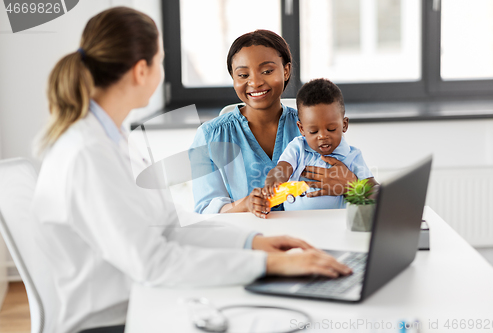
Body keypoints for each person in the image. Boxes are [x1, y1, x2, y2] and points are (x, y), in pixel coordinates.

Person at [31, 8, 351, 333]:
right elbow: (155, 263)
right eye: (160, 60)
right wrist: (272, 264)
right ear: (142, 71)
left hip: (145, 298)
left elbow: (170, 225)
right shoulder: (89, 154)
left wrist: (254, 243)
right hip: (115, 320)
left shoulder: (112, 139)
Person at [190, 30, 357, 218]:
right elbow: (205, 210)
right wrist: (244, 205)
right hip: (245, 241)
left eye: (267, 71)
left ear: (286, 71)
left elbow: (360, 191)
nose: (255, 82)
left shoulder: (317, 129)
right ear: (233, 79)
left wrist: (353, 186)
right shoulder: (208, 137)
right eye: (243, 75)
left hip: (312, 237)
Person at [262, 78, 378, 213]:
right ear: (302, 129)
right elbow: (282, 169)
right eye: (313, 131)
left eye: (331, 129)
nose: (323, 136)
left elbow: (375, 192)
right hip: (294, 222)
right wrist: (273, 181)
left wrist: (355, 186)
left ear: (344, 125)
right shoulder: (298, 148)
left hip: (335, 224)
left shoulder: (352, 155)